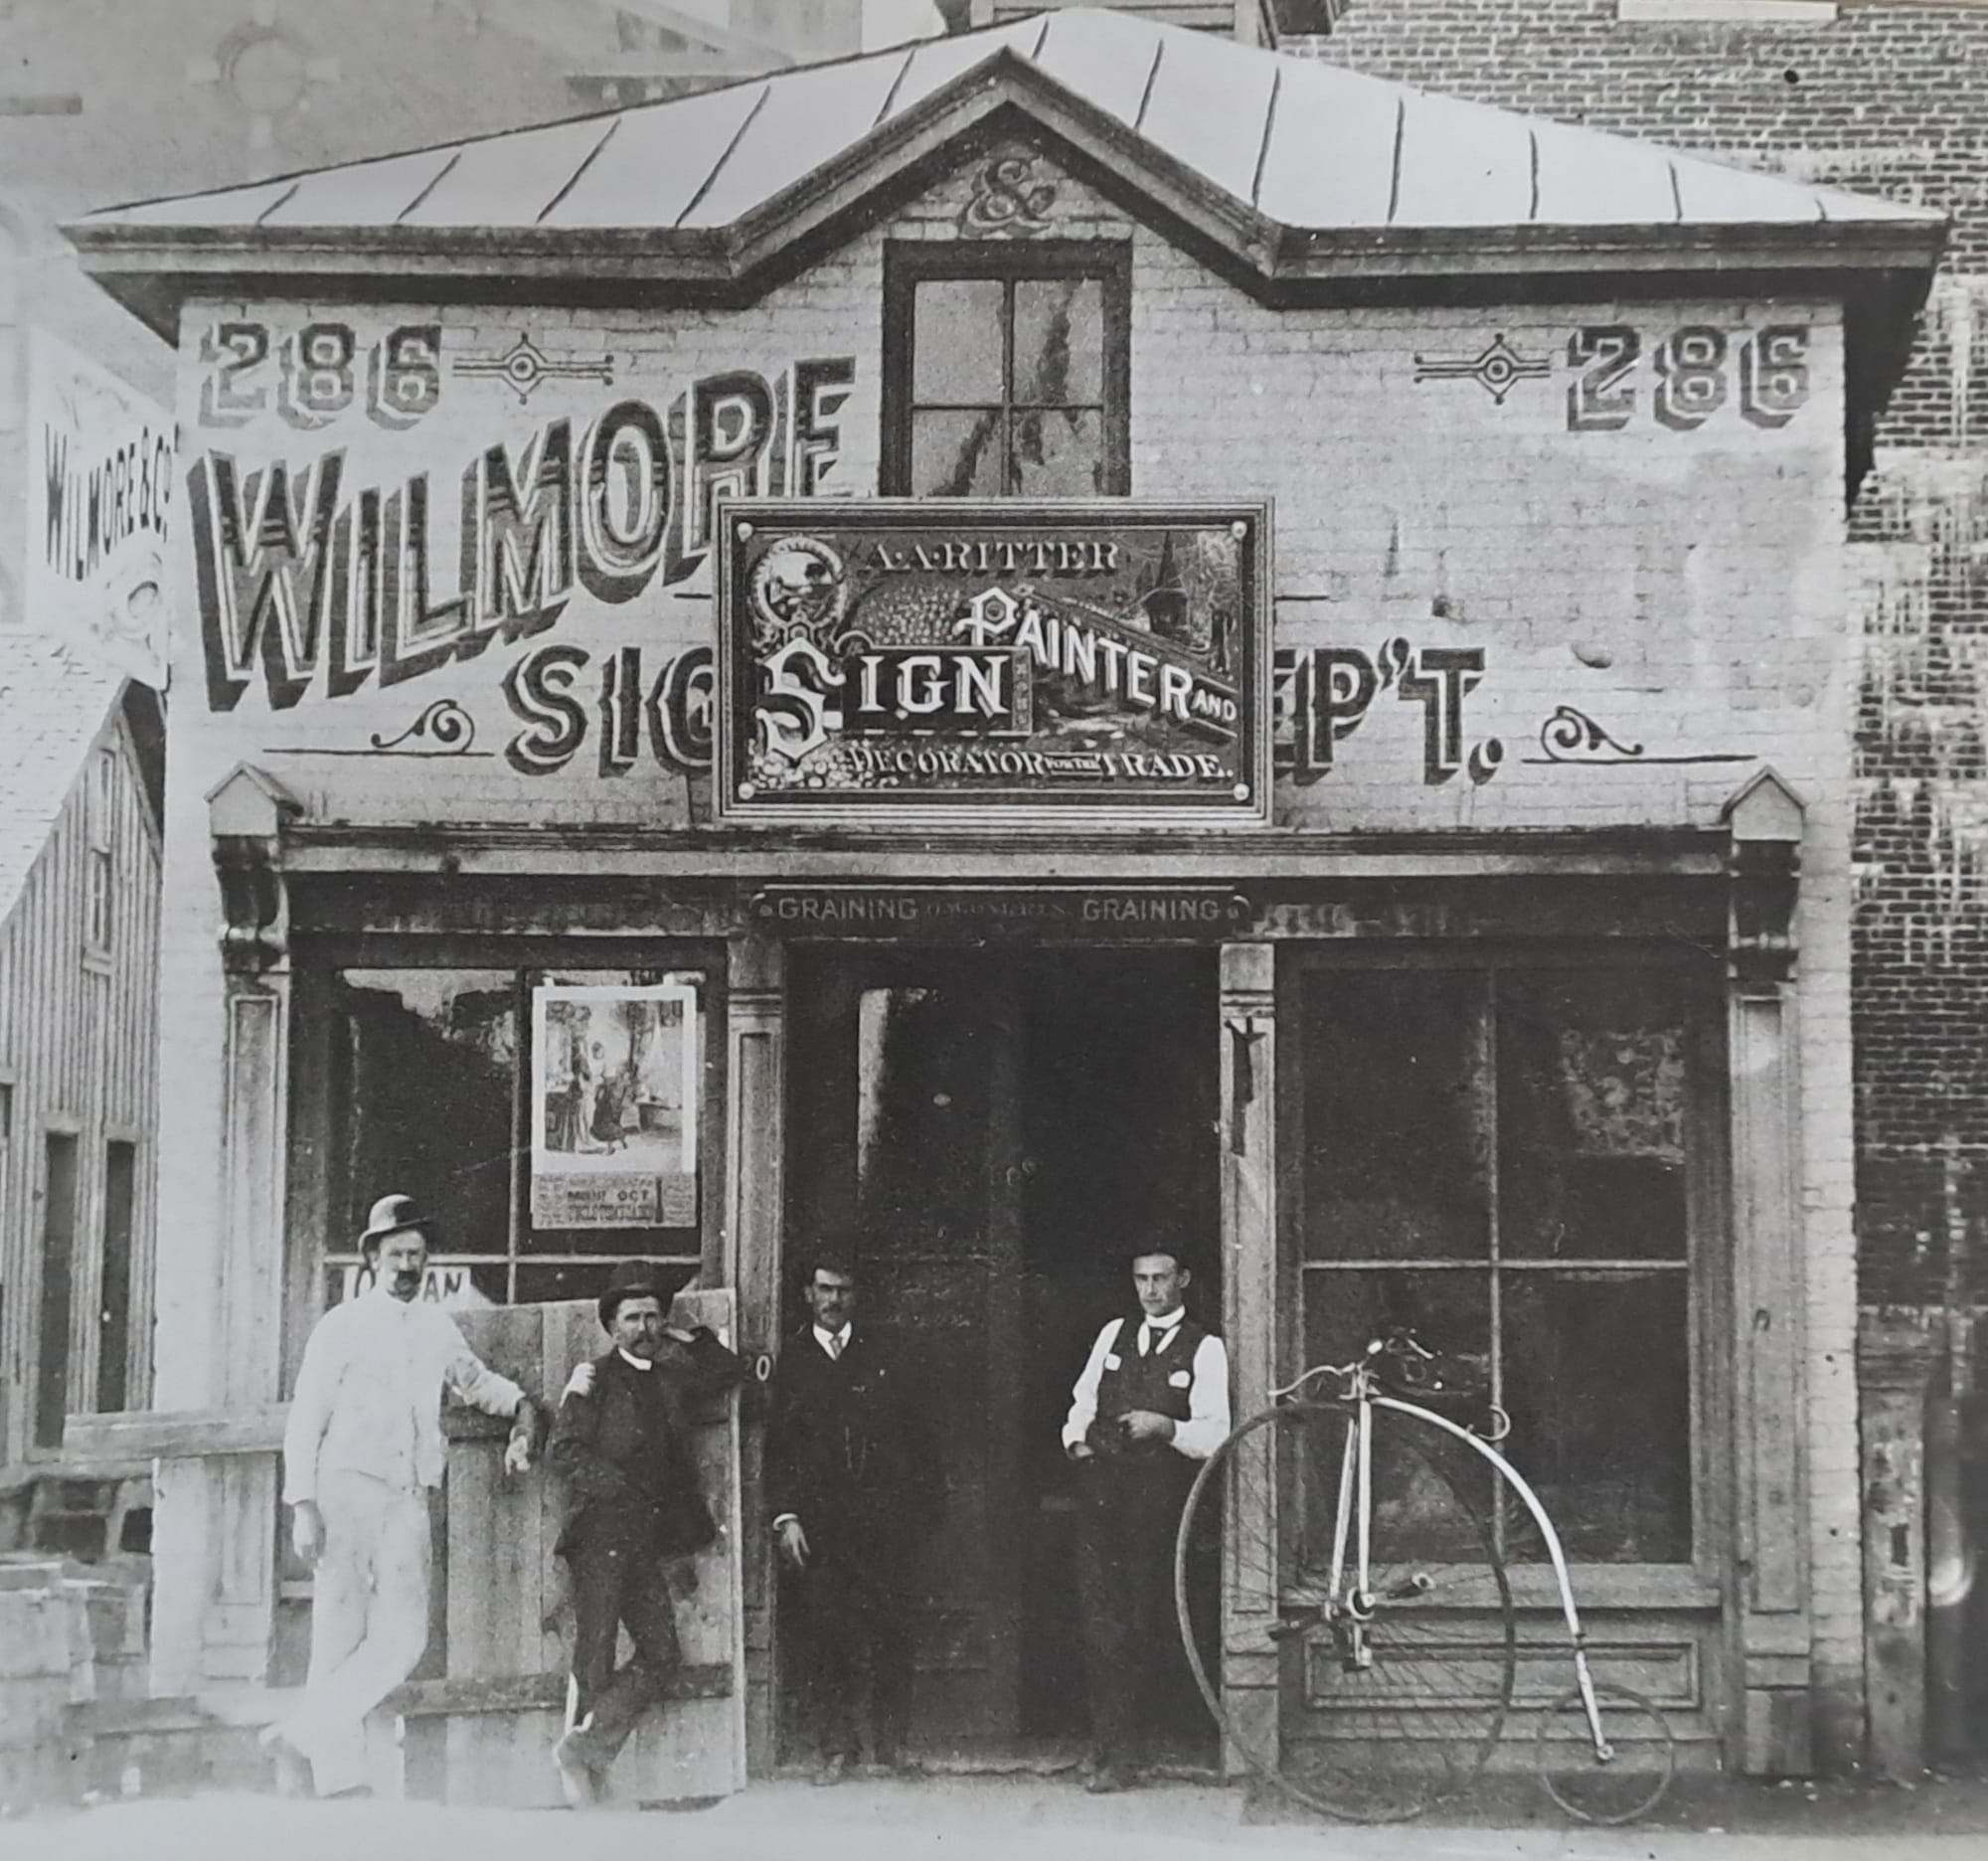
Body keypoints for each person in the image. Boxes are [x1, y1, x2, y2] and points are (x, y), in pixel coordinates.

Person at [269, 1194, 539, 1799]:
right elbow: (305, 1418)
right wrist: (302, 1504)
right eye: (396, 1254)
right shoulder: (339, 1326)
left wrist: (520, 1403)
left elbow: (474, 1382)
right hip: (345, 1491)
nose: (407, 1266)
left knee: (405, 1635)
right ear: (372, 1258)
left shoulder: (436, 1326)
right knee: (337, 1631)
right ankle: (337, 1777)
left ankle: (301, 1733)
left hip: (407, 1496)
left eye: (417, 1255)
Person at [548, 1261, 746, 1808]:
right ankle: (578, 1785)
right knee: (595, 1653)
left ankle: (585, 1748)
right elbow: (563, 1452)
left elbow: (730, 1370)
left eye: (653, 1316)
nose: (644, 1327)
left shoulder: (672, 1374)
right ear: (612, 1325)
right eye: (632, 1317)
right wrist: (618, 1487)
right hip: (600, 1535)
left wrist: (689, 1334)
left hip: (644, 1538)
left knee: (661, 1654)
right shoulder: (592, 1378)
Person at [1063, 1247, 1231, 1792]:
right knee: (1098, 1620)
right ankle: (1106, 1744)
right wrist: (1077, 1445)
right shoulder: (1113, 1334)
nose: (1151, 1290)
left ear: (1183, 1278)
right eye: (1142, 1279)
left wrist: (1166, 1427)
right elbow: (1082, 1402)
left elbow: (1217, 1433)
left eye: (1161, 1278)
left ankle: (1127, 1753)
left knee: (1139, 1621)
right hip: (1102, 1497)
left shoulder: (1205, 1349)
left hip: (1159, 1504)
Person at [765, 1251, 934, 1781]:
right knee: (826, 1634)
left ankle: (888, 1745)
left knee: (891, 1632)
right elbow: (779, 1447)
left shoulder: (885, 1354)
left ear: (855, 1296)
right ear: (808, 1295)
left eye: (843, 1291)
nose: (834, 1301)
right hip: (820, 1525)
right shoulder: (791, 1360)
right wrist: (787, 1516)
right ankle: (836, 1748)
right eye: (825, 1290)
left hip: (883, 1521)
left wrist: (918, 1512)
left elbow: (920, 1437)